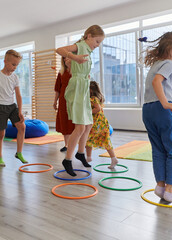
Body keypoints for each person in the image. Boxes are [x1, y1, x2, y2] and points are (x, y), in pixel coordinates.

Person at [139, 31, 172, 205]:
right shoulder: (168, 63)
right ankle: (170, 191)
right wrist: (166, 104)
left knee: (158, 149)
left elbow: (154, 82)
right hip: (161, 109)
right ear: (169, 48)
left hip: (147, 110)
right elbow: (157, 82)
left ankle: (160, 187)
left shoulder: (155, 64)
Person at [56, 25, 105, 176]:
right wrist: (73, 57)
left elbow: (80, 69)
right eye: (97, 41)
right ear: (89, 36)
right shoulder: (80, 46)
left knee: (88, 123)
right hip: (76, 89)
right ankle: (68, 160)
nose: (98, 45)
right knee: (80, 127)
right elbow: (59, 50)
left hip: (83, 87)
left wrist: (85, 76)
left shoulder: (88, 51)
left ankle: (81, 153)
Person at [0, 49, 28, 167]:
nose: (15, 67)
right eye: (13, 64)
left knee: (22, 126)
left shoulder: (15, 77)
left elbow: (18, 95)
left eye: (17, 65)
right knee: (1, 134)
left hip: (11, 106)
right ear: (5, 62)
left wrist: (20, 111)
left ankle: (19, 153)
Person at [86, 81, 118, 169]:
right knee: (101, 140)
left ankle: (89, 157)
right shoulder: (96, 98)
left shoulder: (93, 98)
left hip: (97, 124)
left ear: (91, 90)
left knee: (88, 138)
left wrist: (88, 112)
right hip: (101, 123)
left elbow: (98, 109)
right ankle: (113, 158)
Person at [53, 57, 74, 152]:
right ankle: (67, 145)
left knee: (74, 122)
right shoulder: (61, 73)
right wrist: (55, 101)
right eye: (64, 59)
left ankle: (75, 144)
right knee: (64, 121)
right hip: (63, 100)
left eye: (68, 58)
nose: (66, 60)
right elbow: (57, 89)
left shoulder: (77, 72)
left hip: (74, 100)